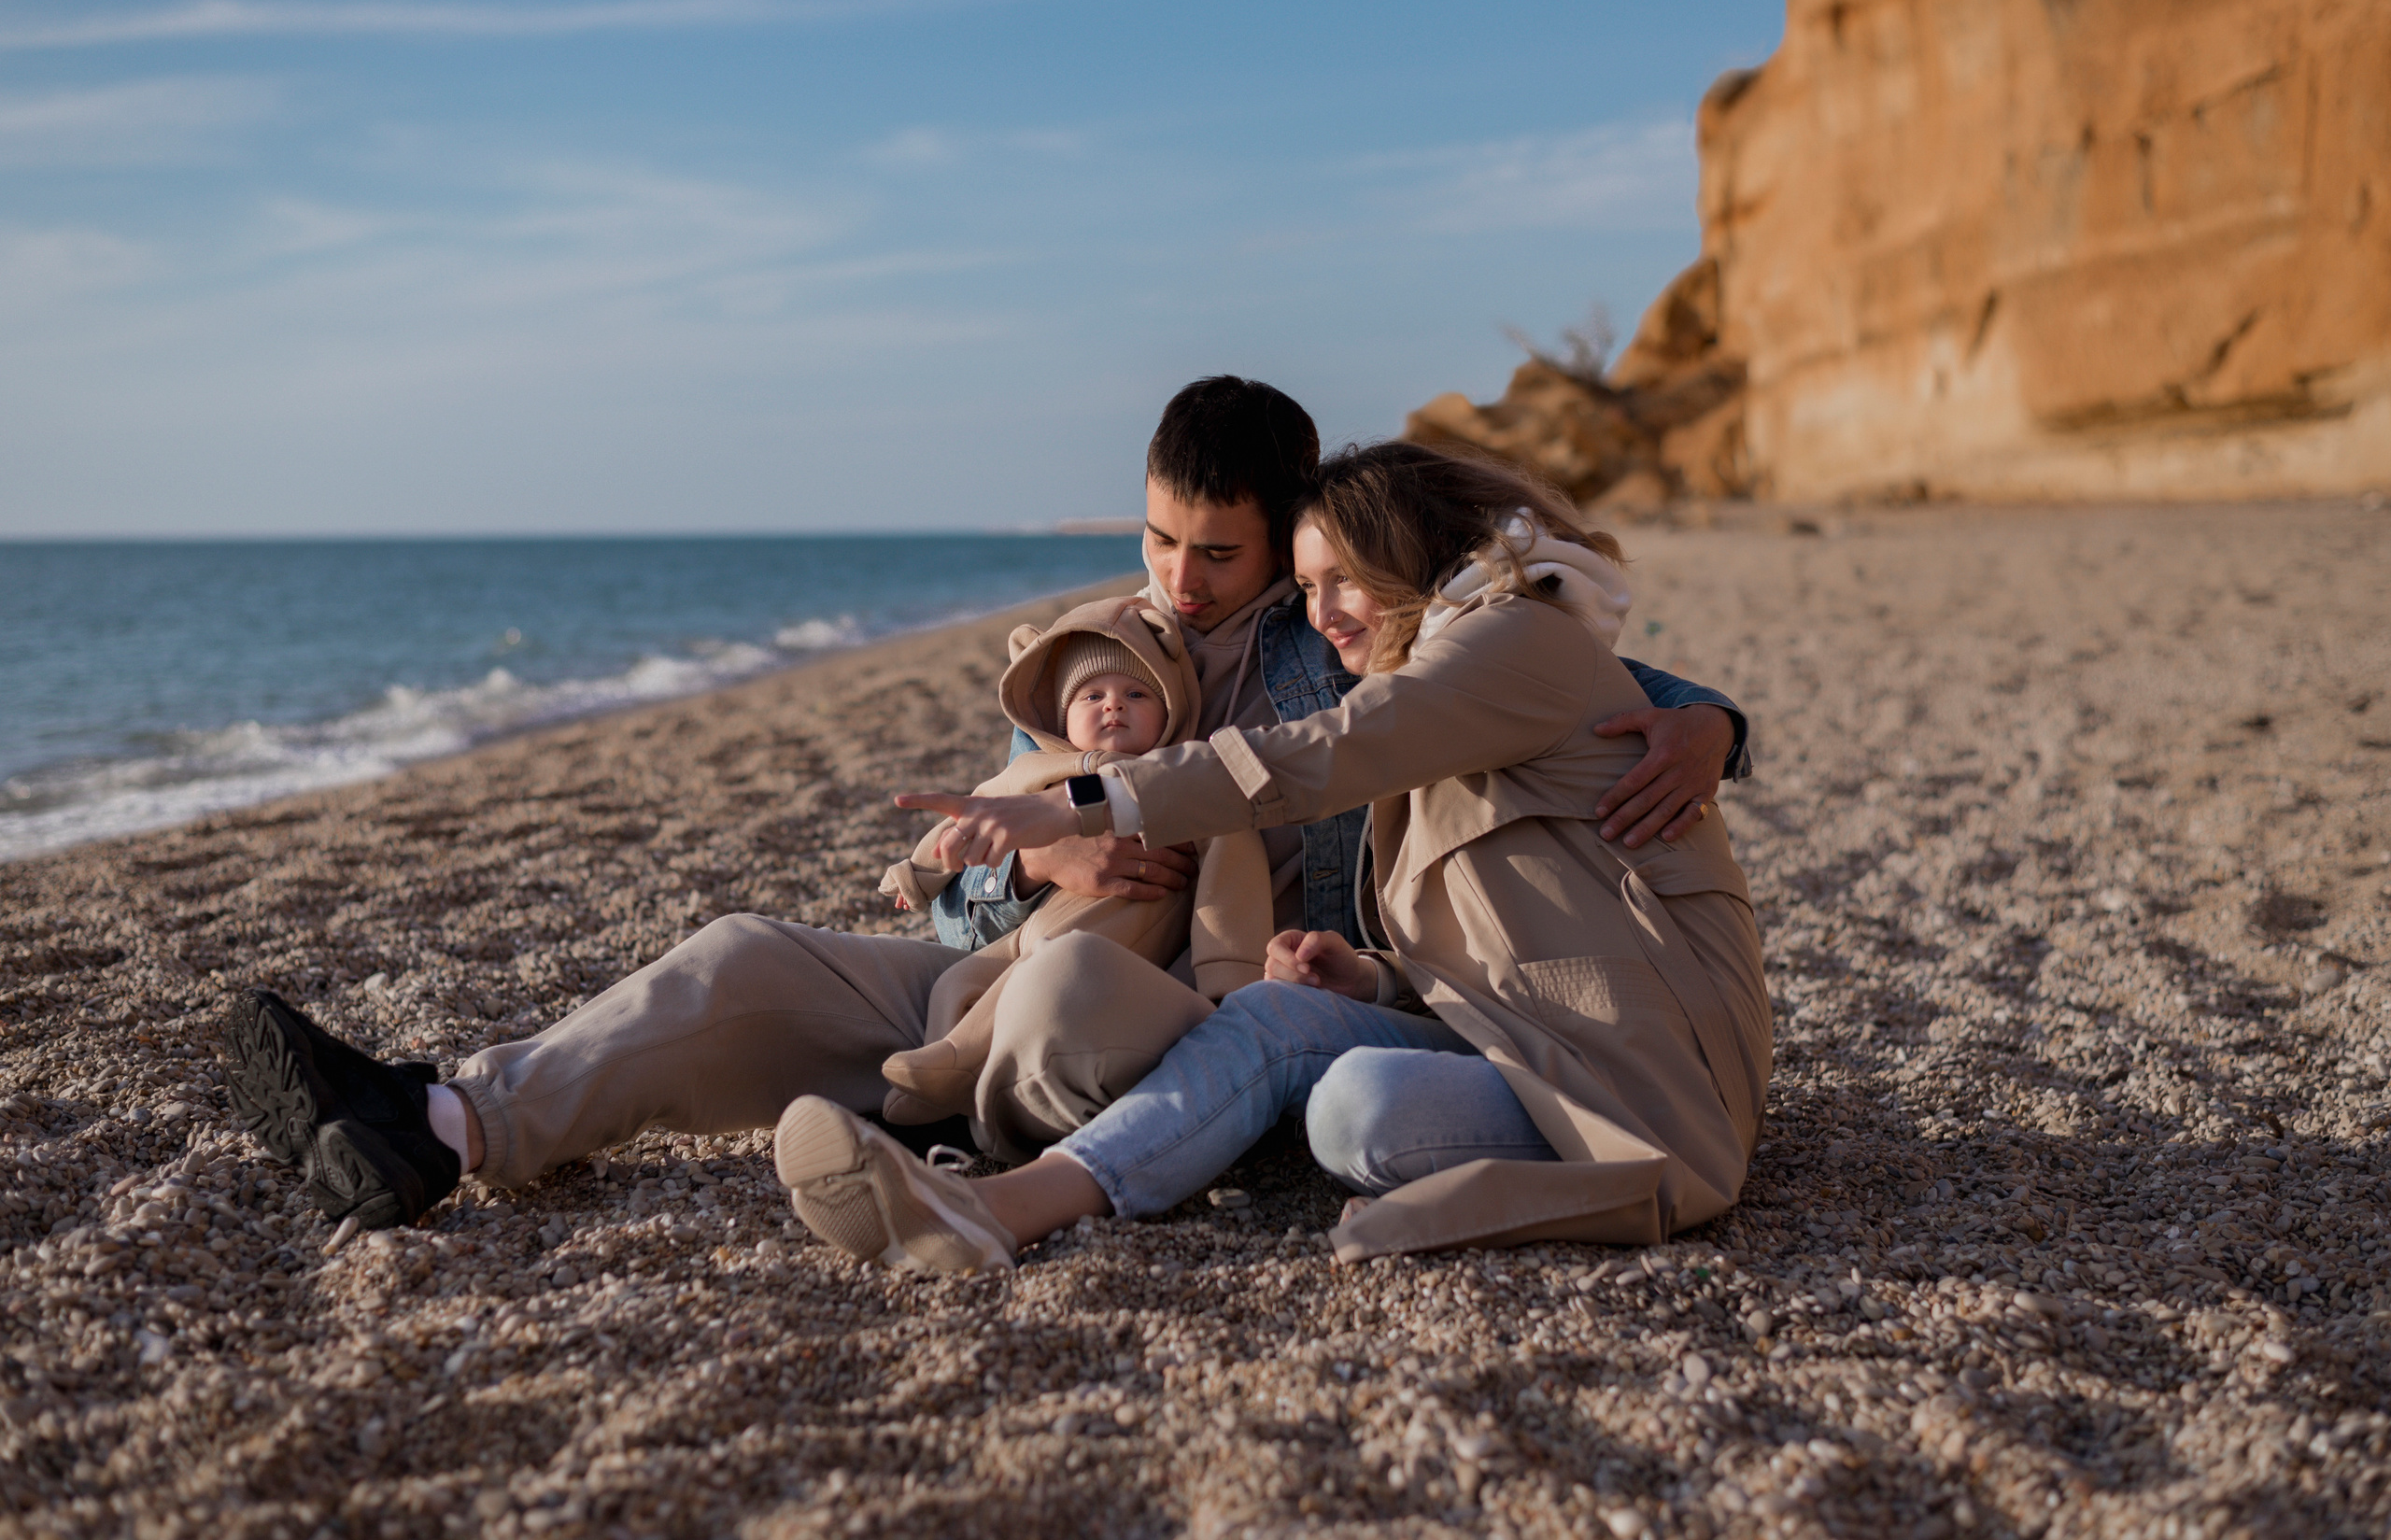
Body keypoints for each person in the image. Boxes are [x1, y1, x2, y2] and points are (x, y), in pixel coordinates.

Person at [220, 379, 1749, 1233]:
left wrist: (1713, 725)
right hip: (1034, 951)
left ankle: (948, 1144)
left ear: (1287, 549)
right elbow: (968, 882)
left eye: (1221, 555)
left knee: (1070, 994)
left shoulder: (1358, 645)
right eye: (1161, 541)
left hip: (1218, 1002)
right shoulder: (1113, 648)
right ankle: (442, 1116)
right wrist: (1035, 861)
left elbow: (1582, 685)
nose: (1181, 579)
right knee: (751, 950)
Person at [773, 442, 1770, 1272]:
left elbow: (1320, 755)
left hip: (1644, 1073)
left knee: (1353, 1109)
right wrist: (1374, 978)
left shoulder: (1511, 641)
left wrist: (1080, 802)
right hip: (1531, 1031)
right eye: (1304, 586)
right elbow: (1506, 922)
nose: (1325, 609)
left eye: (1343, 578)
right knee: (1289, 1032)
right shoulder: (1446, 677)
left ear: (1412, 556)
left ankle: (994, 1205)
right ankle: (994, 1209)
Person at [875, 594, 1269, 1128]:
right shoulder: (1037, 769)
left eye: (1136, 693)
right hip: (1038, 916)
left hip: (1118, 919)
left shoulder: (1179, 777)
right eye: (1092, 695)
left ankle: (956, 1063)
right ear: (1063, 715)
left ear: (1170, 710)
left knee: (1041, 979)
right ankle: (925, 1086)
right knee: (957, 983)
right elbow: (972, 814)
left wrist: (1231, 973)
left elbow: (1233, 855)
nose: (1114, 705)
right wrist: (919, 874)